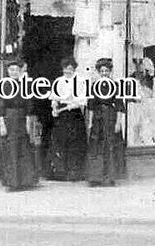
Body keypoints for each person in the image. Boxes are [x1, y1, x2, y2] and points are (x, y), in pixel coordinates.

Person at [0, 59, 39, 191]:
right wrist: (2, 123)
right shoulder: (5, 85)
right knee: (11, 148)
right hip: (9, 118)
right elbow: (1, 105)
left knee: (23, 148)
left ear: (20, 71)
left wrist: (27, 122)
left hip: (21, 118)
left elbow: (28, 105)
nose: (14, 72)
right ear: (8, 71)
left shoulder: (24, 85)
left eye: (16, 70)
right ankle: (12, 181)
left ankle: (24, 181)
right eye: (11, 70)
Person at [86, 57, 126, 187]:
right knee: (96, 145)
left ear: (110, 71)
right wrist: (91, 122)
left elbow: (120, 105)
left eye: (106, 71)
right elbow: (91, 105)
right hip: (97, 117)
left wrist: (118, 123)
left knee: (109, 145)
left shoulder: (115, 86)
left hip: (110, 116)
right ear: (99, 72)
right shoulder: (94, 86)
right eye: (102, 71)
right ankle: (95, 177)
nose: (104, 73)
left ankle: (109, 177)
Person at [48, 57, 87, 181]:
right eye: (65, 69)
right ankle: (61, 172)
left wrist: (72, 105)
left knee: (75, 142)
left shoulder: (80, 81)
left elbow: (82, 100)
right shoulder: (59, 81)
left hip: (74, 114)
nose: (67, 71)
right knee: (61, 141)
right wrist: (54, 107)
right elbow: (54, 98)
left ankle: (74, 172)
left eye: (70, 69)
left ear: (74, 69)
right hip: (62, 116)